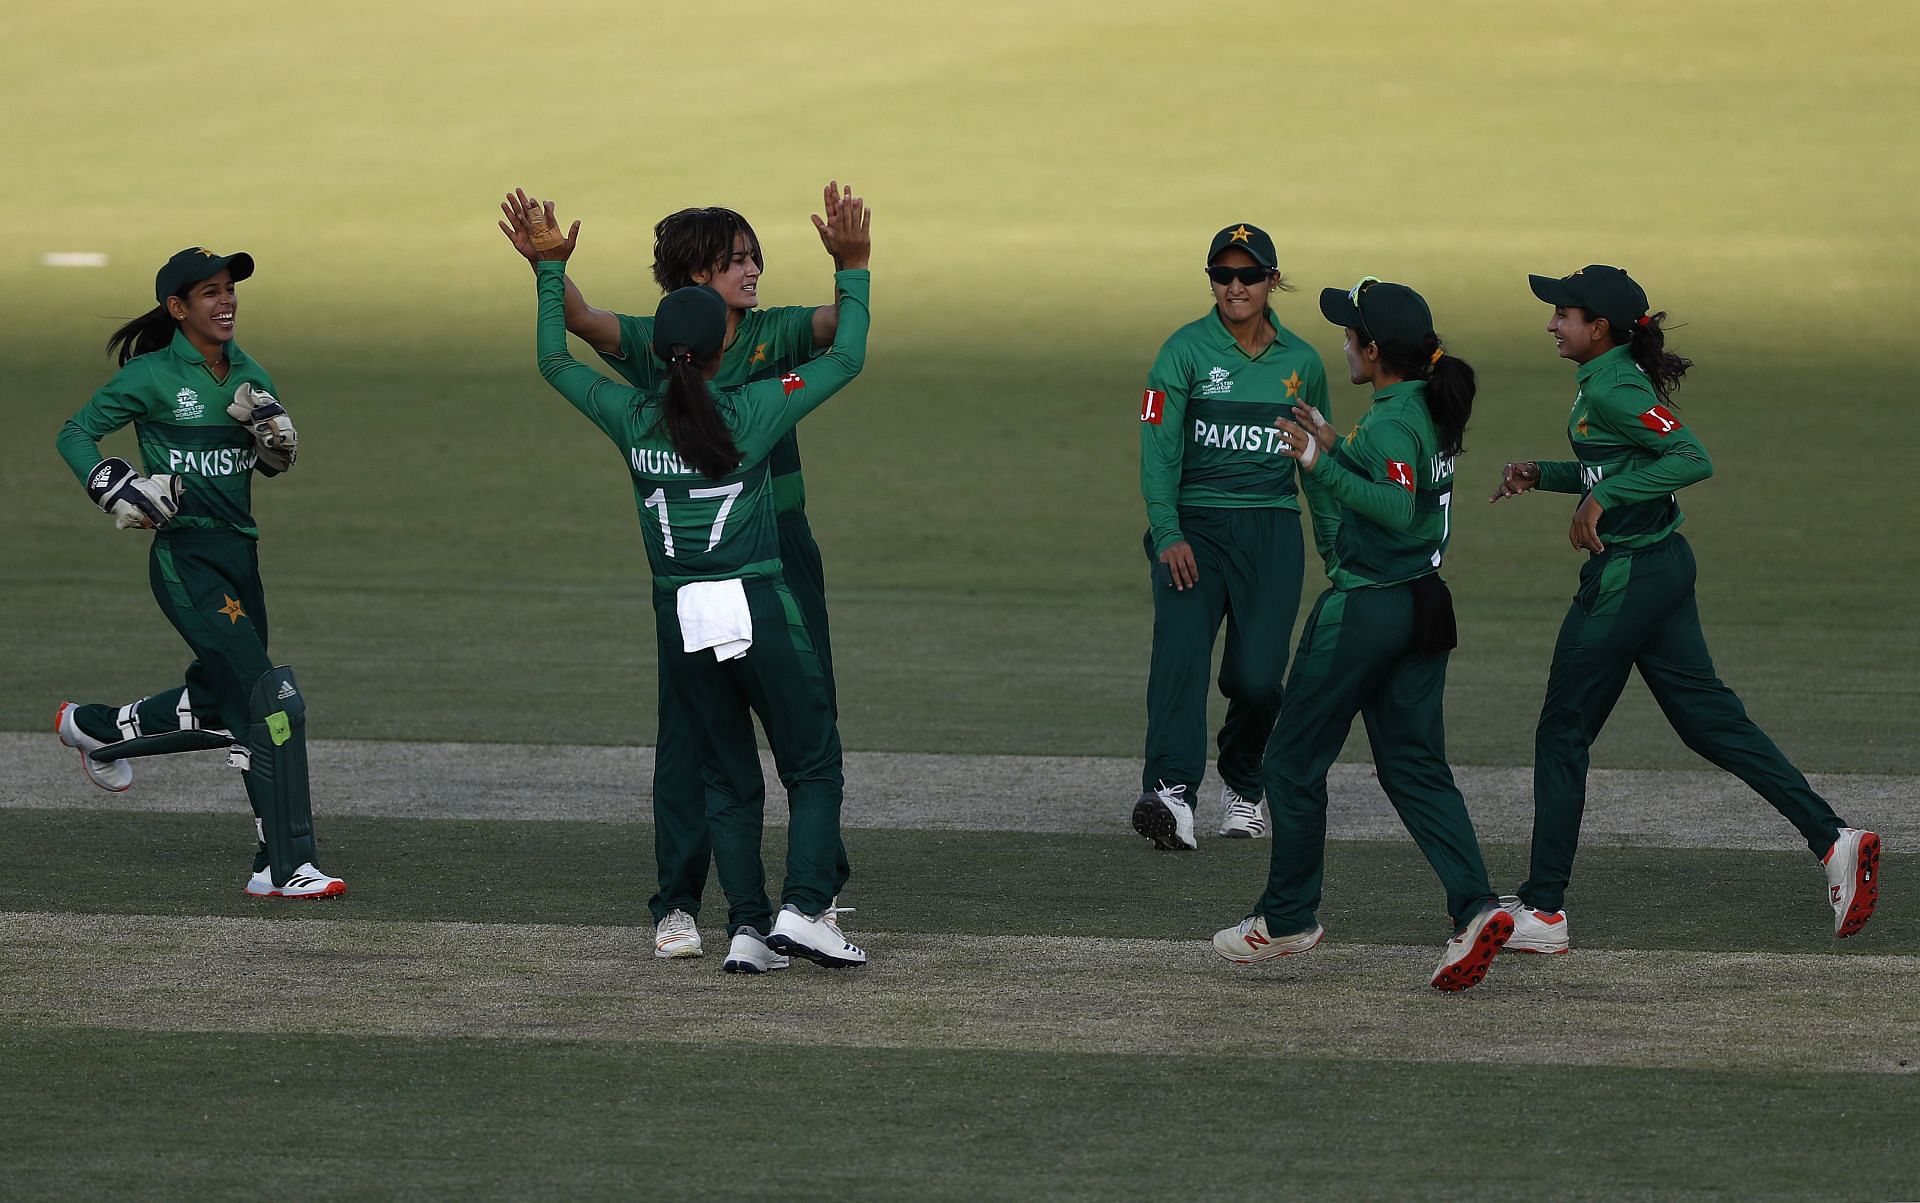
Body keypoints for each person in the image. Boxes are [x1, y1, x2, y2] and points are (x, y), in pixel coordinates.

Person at [501, 185, 854, 960]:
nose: (754, 268)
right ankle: (686, 902)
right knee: (713, 735)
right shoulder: (665, 345)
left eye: (755, 254)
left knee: (790, 716)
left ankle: (806, 896)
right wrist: (549, 270)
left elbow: (557, 354)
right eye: (736, 260)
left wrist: (550, 272)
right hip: (741, 563)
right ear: (694, 278)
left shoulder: (766, 333)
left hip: (739, 558)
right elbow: (584, 324)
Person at [1489, 265, 1879, 951]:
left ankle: (1543, 909)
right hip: (1661, 566)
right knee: (1708, 721)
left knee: (1562, 732)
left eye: (1563, 313)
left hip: (1630, 576)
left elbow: (1690, 456)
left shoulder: (1614, 385)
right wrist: (1547, 475)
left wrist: (1602, 500)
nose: (1551, 323)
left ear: (1599, 327)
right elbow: (1623, 463)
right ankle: (1835, 840)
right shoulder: (1602, 385)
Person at [1212, 277, 1513, 992]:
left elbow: (1396, 509)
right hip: (1423, 607)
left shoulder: (1390, 422)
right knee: (1414, 767)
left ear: (1375, 352)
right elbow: (1389, 485)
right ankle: (1475, 906)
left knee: (1288, 762)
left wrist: (1320, 462)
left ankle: (1286, 918)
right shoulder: (1416, 409)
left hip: (1368, 609)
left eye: (1351, 333)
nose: (1343, 341)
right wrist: (1330, 445)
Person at [53, 247, 342, 899]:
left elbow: (265, 464)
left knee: (218, 698)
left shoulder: (249, 371)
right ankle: (282, 862)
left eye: (230, 289)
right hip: (186, 560)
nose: (227, 301)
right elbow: (75, 433)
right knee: (264, 700)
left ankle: (95, 728)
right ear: (178, 309)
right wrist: (114, 484)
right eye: (210, 292)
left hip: (242, 557)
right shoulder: (153, 377)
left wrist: (276, 449)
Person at [1133, 223, 1332, 850]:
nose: (1235, 286)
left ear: (1272, 281)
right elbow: (1157, 449)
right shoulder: (1182, 351)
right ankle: (1171, 794)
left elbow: (1317, 463)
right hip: (1193, 529)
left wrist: (1334, 548)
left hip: (1271, 530)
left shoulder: (1302, 364)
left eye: (1249, 275)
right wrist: (1167, 532)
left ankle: (1245, 783)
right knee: (1180, 658)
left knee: (1256, 679)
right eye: (1223, 275)